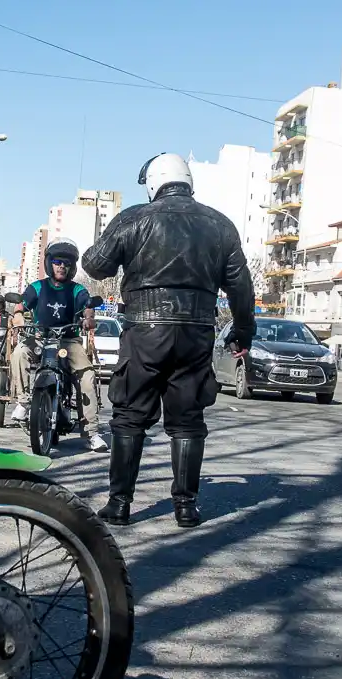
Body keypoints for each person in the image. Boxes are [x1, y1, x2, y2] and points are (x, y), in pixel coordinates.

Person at [81, 152, 255, 528]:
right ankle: (186, 507)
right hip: (196, 332)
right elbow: (241, 285)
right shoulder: (220, 225)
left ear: (152, 184)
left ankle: (120, 504)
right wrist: (244, 330)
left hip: (144, 330)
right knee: (188, 419)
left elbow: (95, 264)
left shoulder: (134, 218)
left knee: (129, 416)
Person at [9, 238, 108, 453]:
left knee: (87, 375)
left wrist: (89, 318)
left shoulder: (77, 289)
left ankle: (91, 433)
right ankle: (24, 402)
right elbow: (22, 303)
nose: (61, 266)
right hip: (39, 336)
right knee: (19, 352)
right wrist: (18, 315)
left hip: (68, 339)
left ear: (72, 267)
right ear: (49, 263)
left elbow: (87, 306)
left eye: (66, 263)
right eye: (56, 261)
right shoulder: (37, 286)